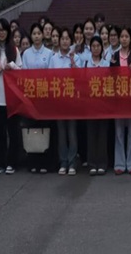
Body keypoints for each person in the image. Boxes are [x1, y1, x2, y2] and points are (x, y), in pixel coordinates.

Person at [0, 19, 23, 175]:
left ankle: (12, 162)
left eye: (4, 30)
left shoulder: (14, 50)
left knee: (12, 132)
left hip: (11, 97)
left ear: (8, 32)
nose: (1, 33)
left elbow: (21, 72)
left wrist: (12, 66)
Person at [22, 23, 56, 174]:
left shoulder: (49, 53)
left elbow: (50, 74)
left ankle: (44, 162)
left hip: (44, 97)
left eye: (38, 33)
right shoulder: (26, 54)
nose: (36, 36)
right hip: (31, 97)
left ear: (43, 35)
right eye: (34, 33)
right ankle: (33, 162)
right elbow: (24, 74)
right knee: (32, 129)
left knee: (44, 129)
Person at [49, 28, 81, 175]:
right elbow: (50, 78)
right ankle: (63, 162)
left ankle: (72, 162)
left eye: (67, 39)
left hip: (72, 100)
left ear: (71, 41)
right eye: (62, 38)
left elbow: (80, 78)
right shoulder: (53, 58)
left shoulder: (76, 57)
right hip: (59, 100)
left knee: (72, 132)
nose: (64, 41)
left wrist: (72, 61)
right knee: (61, 132)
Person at [110, 29, 131, 175]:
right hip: (118, 99)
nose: (123, 39)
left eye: (126, 36)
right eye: (121, 36)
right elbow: (110, 76)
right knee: (119, 131)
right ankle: (119, 163)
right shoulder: (114, 56)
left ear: (130, 38)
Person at [85, 36, 111, 176]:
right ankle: (92, 163)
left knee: (102, 134)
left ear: (102, 48)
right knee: (91, 134)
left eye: (98, 46)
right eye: (93, 46)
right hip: (90, 104)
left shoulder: (106, 64)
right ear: (90, 48)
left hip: (103, 103)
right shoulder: (86, 64)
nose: (96, 48)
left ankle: (102, 163)